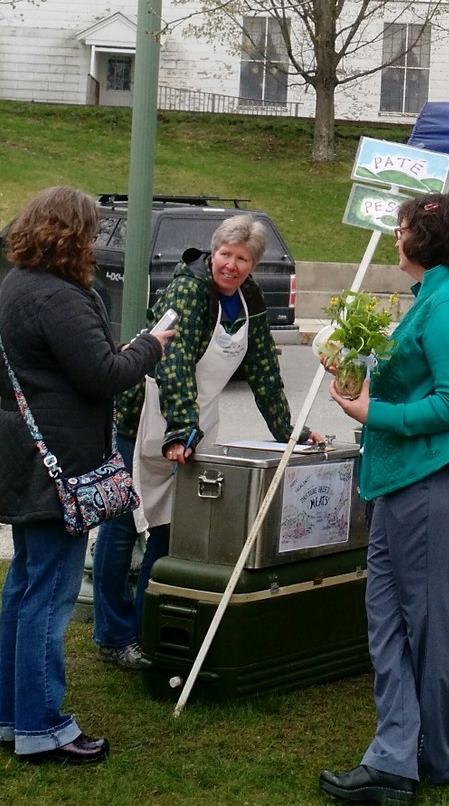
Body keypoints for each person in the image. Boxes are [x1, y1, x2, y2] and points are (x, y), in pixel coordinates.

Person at [319, 193, 449, 805]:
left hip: (433, 483)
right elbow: (417, 376)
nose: (395, 237)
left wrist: (376, 412)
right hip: (403, 482)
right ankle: (400, 753)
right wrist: (355, 364)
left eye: (403, 229)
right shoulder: (432, 298)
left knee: (427, 626)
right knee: (387, 622)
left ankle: (421, 757)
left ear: (430, 238)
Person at [92, 213, 322, 668]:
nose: (231, 266)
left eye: (241, 259)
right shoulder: (189, 290)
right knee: (121, 526)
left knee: (173, 527)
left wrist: (289, 433)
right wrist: (180, 431)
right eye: (225, 255)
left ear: (253, 265)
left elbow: (263, 371)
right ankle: (114, 635)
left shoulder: (250, 298)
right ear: (212, 254)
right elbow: (172, 364)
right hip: (148, 414)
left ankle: (149, 625)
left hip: (197, 420)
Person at [0, 186, 170, 764]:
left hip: (26, 454)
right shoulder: (59, 296)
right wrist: (151, 345)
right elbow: (103, 373)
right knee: (48, 595)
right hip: (59, 465)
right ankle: (42, 727)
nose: (98, 242)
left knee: (24, 588)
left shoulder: (16, 285)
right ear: (72, 235)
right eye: (92, 232)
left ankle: (14, 718)